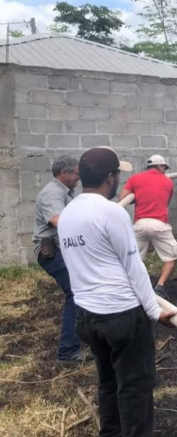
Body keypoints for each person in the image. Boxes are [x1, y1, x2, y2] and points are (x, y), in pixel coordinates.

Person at [58, 146, 176, 437]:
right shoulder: (111, 211)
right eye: (118, 177)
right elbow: (133, 266)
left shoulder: (68, 212)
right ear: (110, 178)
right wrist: (153, 311)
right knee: (135, 387)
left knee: (109, 383)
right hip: (121, 314)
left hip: (88, 316)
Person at [33, 155, 87, 365]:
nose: (78, 178)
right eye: (76, 173)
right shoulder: (52, 193)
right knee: (74, 293)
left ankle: (81, 341)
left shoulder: (66, 192)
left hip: (62, 250)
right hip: (51, 252)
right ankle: (67, 353)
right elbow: (59, 220)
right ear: (63, 173)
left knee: (81, 291)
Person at [118, 154, 177, 300]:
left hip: (139, 224)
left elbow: (122, 199)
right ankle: (160, 287)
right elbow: (166, 202)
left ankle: (134, 288)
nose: (165, 170)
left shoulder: (135, 179)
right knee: (171, 258)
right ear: (160, 166)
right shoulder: (167, 182)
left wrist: (138, 196)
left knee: (134, 259)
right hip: (159, 224)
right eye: (164, 167)